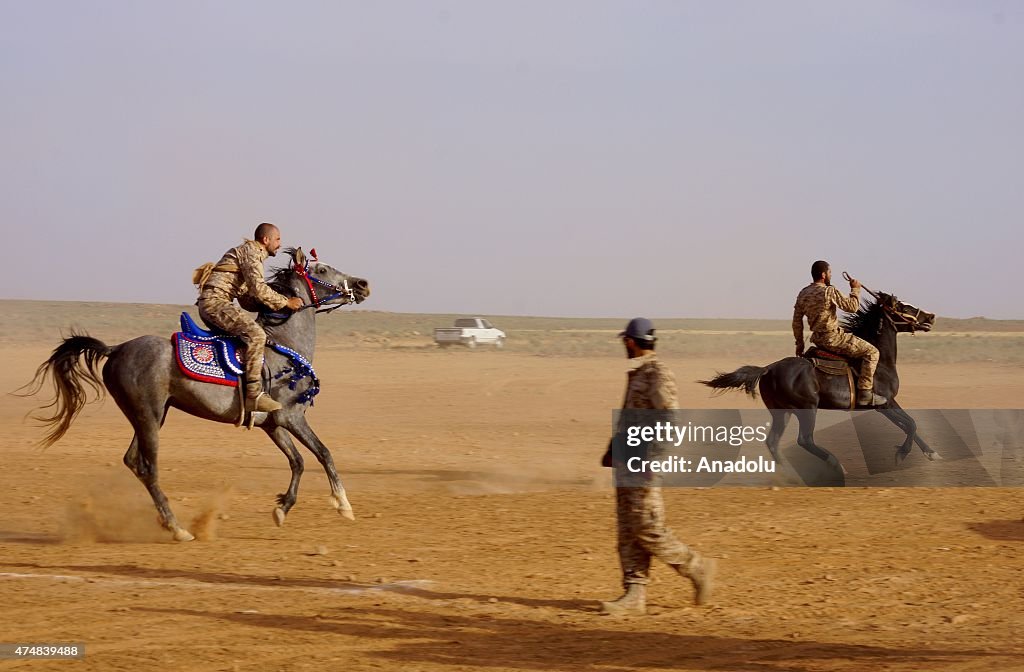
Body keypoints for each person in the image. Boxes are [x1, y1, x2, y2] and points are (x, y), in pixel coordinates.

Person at [600, 317, 716, 616]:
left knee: (648, 526)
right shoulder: (641, 373)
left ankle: (697, 567)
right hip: (627, 461)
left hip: (643, 464)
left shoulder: (657, 373)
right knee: (628, 529)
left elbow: (670, 418)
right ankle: (634, 594)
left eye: (625, 340)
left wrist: (653, 457)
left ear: (630, 341)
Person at [197, 223, 303, 412]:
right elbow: (258, 289)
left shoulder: (248, 254)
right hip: (215, 303)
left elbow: (246, 299)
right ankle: (253, 394)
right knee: (257, 335)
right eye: (277, 239)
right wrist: (286, 302)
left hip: (215, 303)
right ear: (266, 240)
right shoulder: (252, 253)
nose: (280, 243)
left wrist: (272, 306)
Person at [792, 261, 887, 407]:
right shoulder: (829, 291)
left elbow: (797, 321)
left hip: (818, 339)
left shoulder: (803, 293)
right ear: (823, 275)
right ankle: (865, 393)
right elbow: (852, 307)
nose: (830, 275)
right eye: (830, 273)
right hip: (834, 338)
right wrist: (855, 289)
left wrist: (800, 344)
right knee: (872, 352)